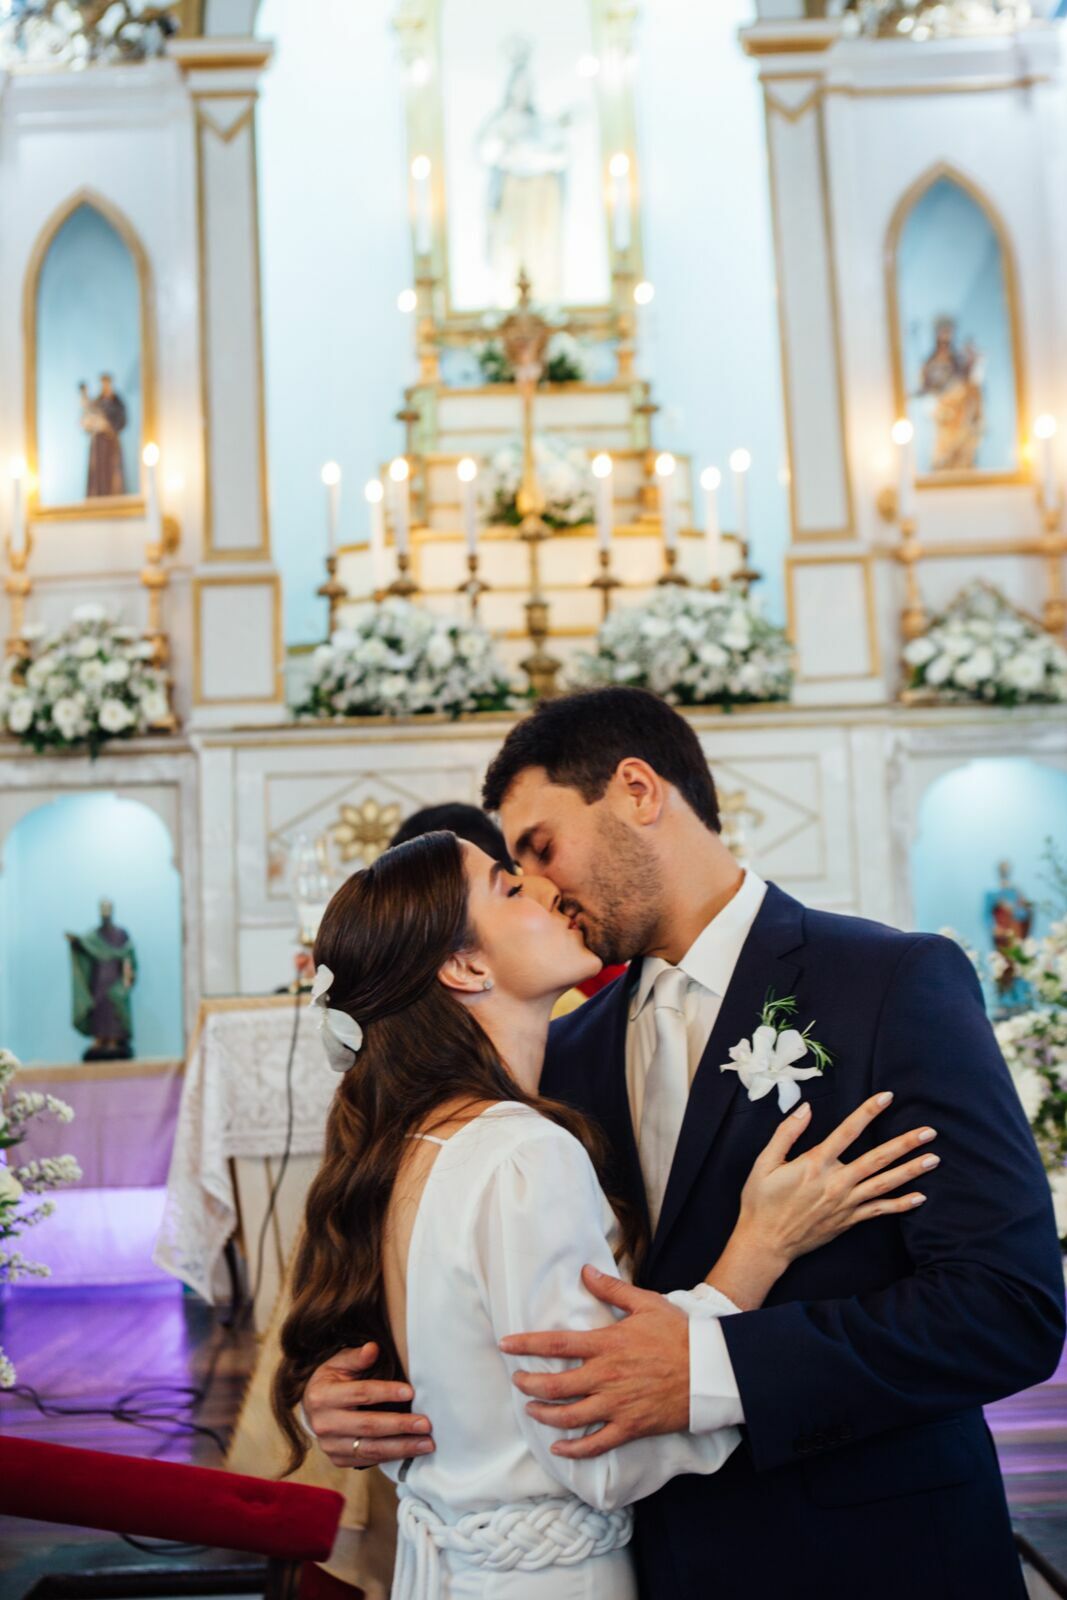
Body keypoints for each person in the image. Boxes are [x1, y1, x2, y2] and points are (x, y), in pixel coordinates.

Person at [303, 688, 1065, 1600]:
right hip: (649, 1556)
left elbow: (1006, 1308)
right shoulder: (559, 1058)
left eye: (540, 848)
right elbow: (497, 1293)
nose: (541, 887)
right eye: (513, 874)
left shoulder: (888, 983)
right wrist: (354, 1388)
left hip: (869, 1554)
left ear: (635, 790)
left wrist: (716, 1367)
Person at [276, 830, 935, 1598]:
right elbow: (598, 1450)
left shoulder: (412, 1141)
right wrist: (757, 1248)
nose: (546, 888)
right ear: (464, 965)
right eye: (508, 884)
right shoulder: (520, 1154)